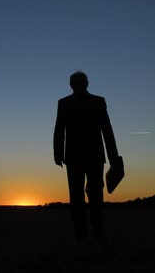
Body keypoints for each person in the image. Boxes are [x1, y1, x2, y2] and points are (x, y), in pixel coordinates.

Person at [53, 71, 119, 244]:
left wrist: (113, 157)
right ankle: (84, 230)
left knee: (91, 192)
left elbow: (107, 129)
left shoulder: (95, 102)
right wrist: (58, 153)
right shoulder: (67, 103)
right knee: (83, 194)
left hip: (89, 155)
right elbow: (60, 129)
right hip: (81, 156)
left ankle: (92, 228)